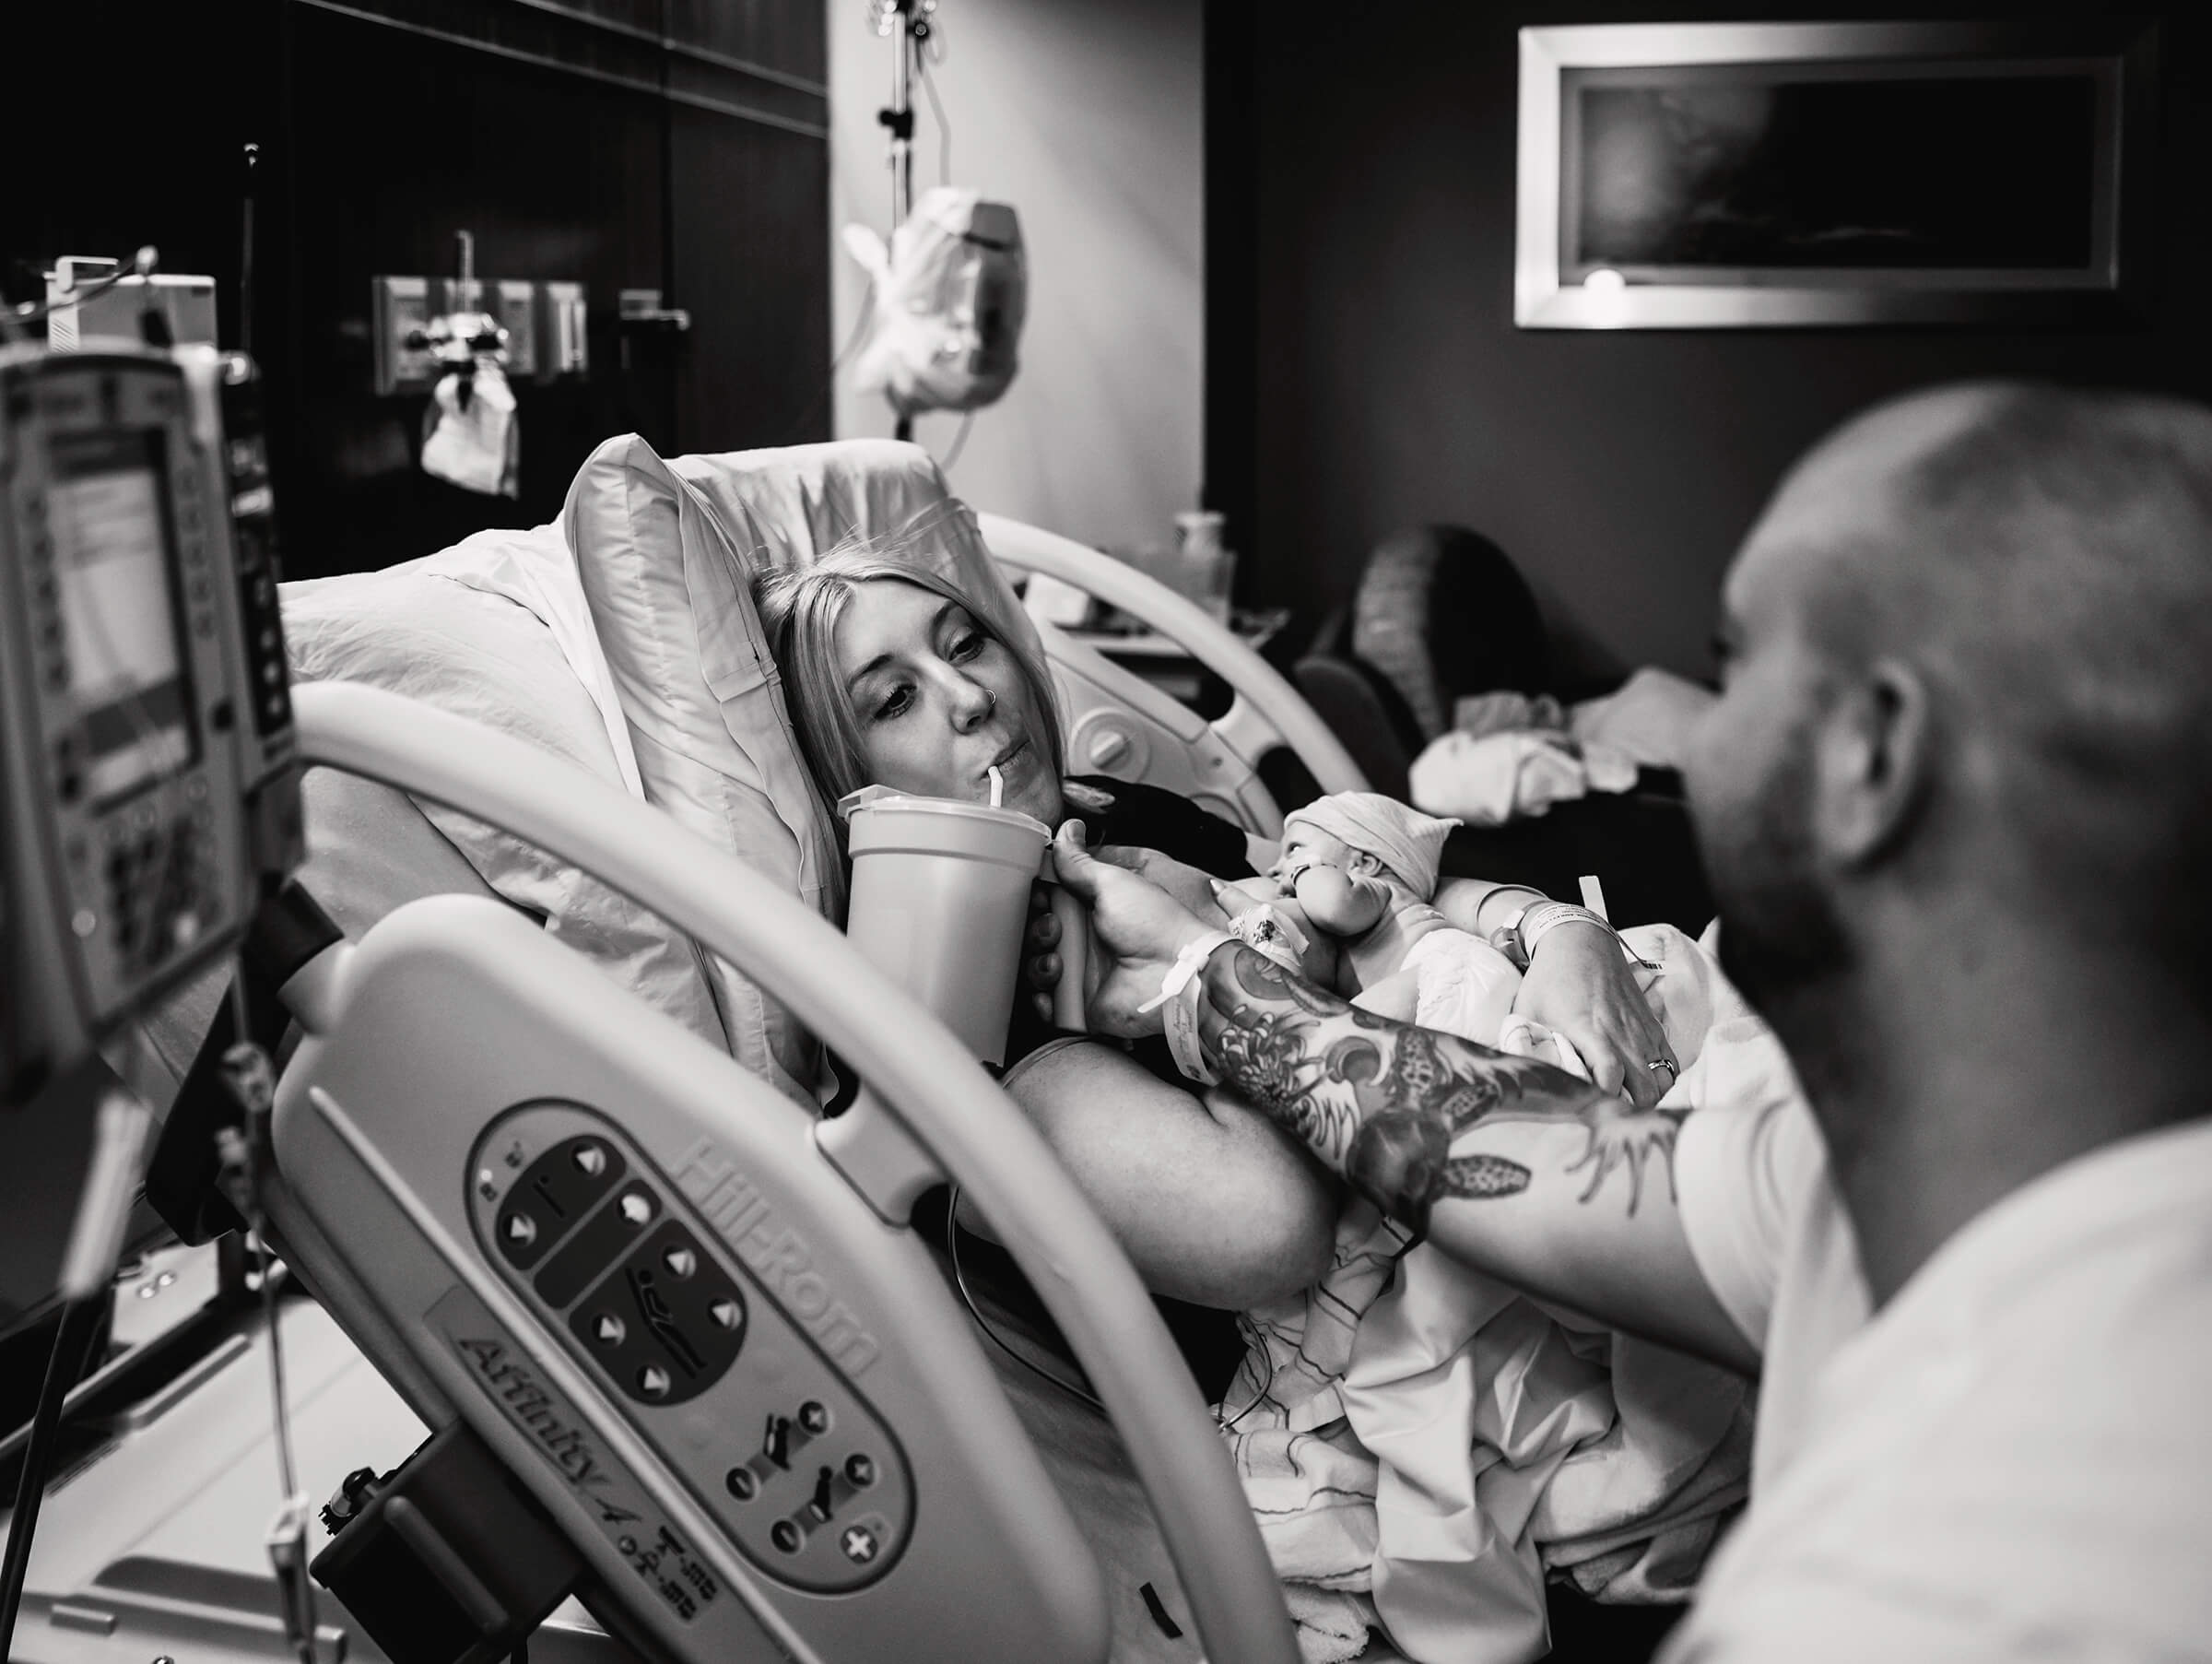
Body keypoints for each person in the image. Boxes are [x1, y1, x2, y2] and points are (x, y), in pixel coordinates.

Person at [1053, 381, 2212, 1658]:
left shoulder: (1928, 1590)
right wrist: (1226, 979)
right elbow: (1535, 1159)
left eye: (1732, 674)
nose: (1701, 746)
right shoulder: (1874, 1160)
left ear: (1871, 757)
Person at [751, 547, 1678, 1316]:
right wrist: (1217, 967)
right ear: (852, 789)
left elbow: (1362, 886)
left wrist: (1556, 931)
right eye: (894, 699)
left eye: (967, 645)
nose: (968, 694)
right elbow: (1269, 1234)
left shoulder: (1120, 813)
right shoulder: (983, 1017)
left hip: (1549, 1077)